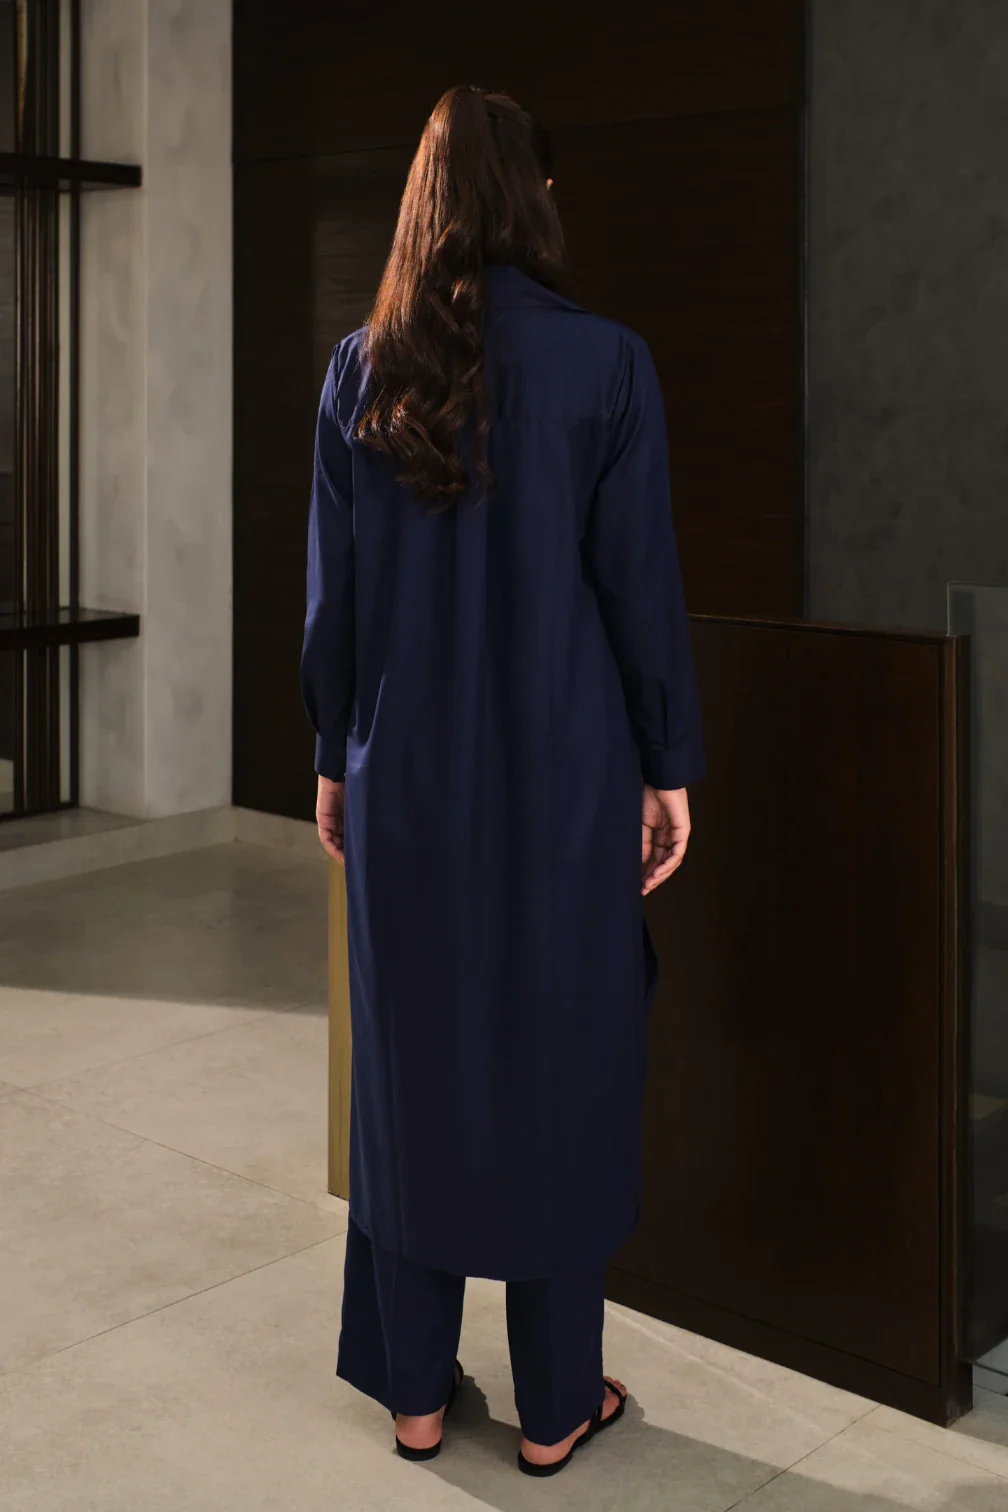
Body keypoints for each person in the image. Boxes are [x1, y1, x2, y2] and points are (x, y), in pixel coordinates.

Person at [300, 84, 704, 1477]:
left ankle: (415, 1395)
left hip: (401, 775)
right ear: (537, 198)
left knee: (410, 1067)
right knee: (562, 1062)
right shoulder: (609, 366)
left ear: (420, 200)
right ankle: (552, 1407)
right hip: (565, 777)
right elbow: (639, 593)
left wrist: (331, 759)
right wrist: (668, 766)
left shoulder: (360, 368)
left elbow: (334, 608)